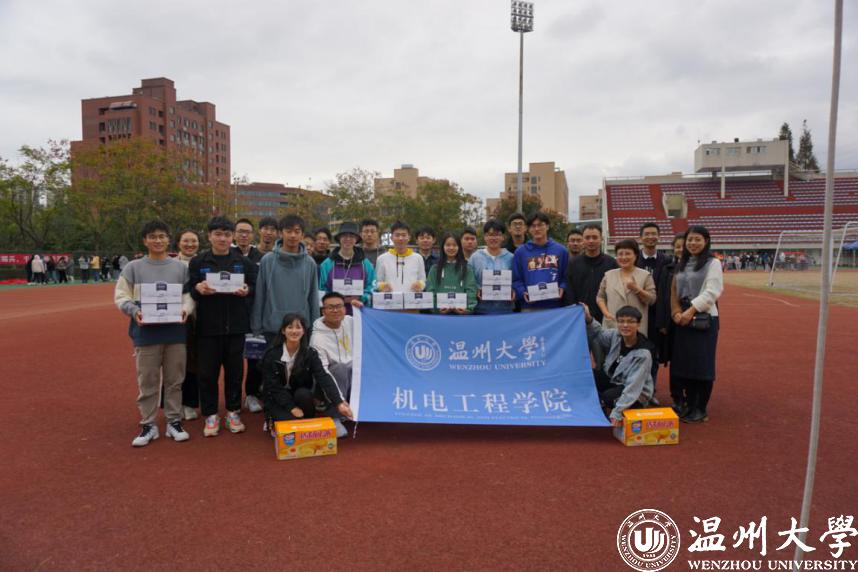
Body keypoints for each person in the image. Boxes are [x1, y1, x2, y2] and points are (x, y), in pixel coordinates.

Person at [114, 220, 194, 447]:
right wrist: (134, 311)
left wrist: (186, 309)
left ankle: (173, 421)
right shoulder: (133, 268)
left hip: (175, 333)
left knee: (174, 380)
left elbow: (188, 296)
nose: (157, 240)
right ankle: (148, 424)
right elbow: (121, 296)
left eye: (162, 236)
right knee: (147, 381)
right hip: (146, 334)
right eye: (152, 236)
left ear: (169, 240)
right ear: (145, 240)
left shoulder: (181, 268)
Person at [188, 216, 258, 437]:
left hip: (236, 327)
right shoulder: (198, 262)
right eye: (218, 234)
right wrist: (198, 289)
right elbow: (189, 289)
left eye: (227, 235)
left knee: (235, 373)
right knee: (207, 374)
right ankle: (210, 414)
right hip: (207, 328)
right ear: (209, 236)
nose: (222, 239)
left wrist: (247, 290)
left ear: (233, 237)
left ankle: (233, 411)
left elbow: (254, 286)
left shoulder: (243, 262)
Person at [261, 313, 354, 438]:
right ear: (283, 331)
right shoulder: (271, 354)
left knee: (304, 394)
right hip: (278, 397)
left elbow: (323, 377)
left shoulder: (310, 354)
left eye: (298, 327)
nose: (294, 331)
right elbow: (273, 386)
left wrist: (339, 402)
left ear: (304, 331)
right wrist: (291, 407)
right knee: (287, 425)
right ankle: (272, 418)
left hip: (300, 395)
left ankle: (303, 421)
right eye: (290, 327)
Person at [670, 225, 723, 423]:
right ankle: (689, 404)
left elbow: (712, 291)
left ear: (706, 241)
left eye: (697, 239)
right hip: (682, 318)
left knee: (702, 364)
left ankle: (700, 408)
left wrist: (690, 311)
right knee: (686, 363)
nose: (692, 243)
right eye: (690, 239)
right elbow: (674, 289)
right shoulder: (682, 263)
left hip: (703, 317)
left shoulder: (712, 263)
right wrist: (676, 311)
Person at [582, 304, 655, 426]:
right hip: (615, 380)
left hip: (637, 392)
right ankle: (600, 403)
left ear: (638, 324)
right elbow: (598, 333)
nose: (625, 325)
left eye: (630, 322)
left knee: (608, 397)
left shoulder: (643, 353)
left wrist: (617, 412)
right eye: (621, 321)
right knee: (587, 376)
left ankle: (624, 406)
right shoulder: (616, 335)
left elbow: (633, 387)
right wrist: (588, 318)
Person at [251, 214, 320, 341]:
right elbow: (260, 296)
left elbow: (313, 298)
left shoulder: (310, 263)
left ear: (302, 235)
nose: (293, 235)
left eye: (297, 231)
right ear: (280, 233)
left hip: (300, 329)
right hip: (272, 329)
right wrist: (256, 328)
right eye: (288, 231)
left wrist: (316, 330)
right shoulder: (267, 260)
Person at [310, 292, 360, 436]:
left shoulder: (350, 321)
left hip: (352, 374)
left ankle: (360, 408)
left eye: (339, 306)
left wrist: (362, 308)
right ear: (323, 311)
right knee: (340, 367)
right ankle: (334, 416)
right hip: (328, 382)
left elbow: (371, 322)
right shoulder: (317, 339)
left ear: (344, 308)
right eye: (330, 307)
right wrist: (339, 401)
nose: (335, 310)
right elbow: (323, 373)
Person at [511, 212, 568, 311]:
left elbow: (567, 276)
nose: (537, 229)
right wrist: (522, 292)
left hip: (555, 308)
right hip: (529, 308)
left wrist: (563, 287)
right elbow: (516, 279)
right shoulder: (520, 252)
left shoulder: (561, 251)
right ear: (528, 229)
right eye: (533, 226)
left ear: (547, 226)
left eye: (540, 225)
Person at [596, 239, 656, 333]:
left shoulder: (645, 275)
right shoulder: (608, 275)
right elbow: (600, 297)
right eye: (620, 254)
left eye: (628, 254)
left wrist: (636, 289)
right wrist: (606, 313)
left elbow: (652, 300)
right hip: (612, 325)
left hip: (636, 328)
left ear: (635, 255)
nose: (623, 257)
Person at [173, 229, 202, 420]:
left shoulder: (204, 263)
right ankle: (173, 403)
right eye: (186, 241)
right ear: (178, 243)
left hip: (200, 320)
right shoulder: (171, 265)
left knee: (194, 362)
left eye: (194, 241)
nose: (190, 244)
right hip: (176, 319)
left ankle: (190, 403)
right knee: (174, 363)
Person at [563, 224, 618, 322]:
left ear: (601, 239)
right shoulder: (573, 264)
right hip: (580, 316)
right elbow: (569, 292)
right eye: (587, 237)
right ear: (583, 240)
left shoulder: (611, 263)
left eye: (595, 237)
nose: (591, 241)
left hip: (606, 316)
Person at [655, 234, 685, 408]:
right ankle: (677, 396)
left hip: (692, 321)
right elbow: (662, 297)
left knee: (690, 359)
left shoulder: (700, 269)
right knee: (676, 361)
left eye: (684, 246)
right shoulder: (667, 269)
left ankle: (692, 395)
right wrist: (662, 323)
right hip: (672, 322)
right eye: (678, 246)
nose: (681, 250)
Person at [318, 222, 375, 313]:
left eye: (352, 236)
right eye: (344, 236)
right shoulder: (327, 264)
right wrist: (335, 298)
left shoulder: (365, 264)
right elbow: (321, 289)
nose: (348, 239)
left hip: (359, 311)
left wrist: (361, 297)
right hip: (334, 312)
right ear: (339, 238)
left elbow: (372, 286)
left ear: (356, 239)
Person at [469, 219, 515, 315]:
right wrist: (476, 290)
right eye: (490, 235)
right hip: (480, 310)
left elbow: (516, 280)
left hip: (505, 310)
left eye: (497, 234)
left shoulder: (511, 258)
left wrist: (514, 290)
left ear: (503, 237)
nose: (493, 238)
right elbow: (469, 282)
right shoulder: (475, 257)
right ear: (485, 237)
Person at [425, 233, 477, 314]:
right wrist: (436, 308)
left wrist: (467, 309)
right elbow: (430, 291)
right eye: (448, 245)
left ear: (459, 247)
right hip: (439, 316)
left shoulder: (467, 269)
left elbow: (471, 291)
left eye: (454, 245)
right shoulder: (434, 269)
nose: (451, 248)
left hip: (461, 316)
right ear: (443, 247)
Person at [375, 221, 426, 293]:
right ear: (391, 237)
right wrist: (382, 286)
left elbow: (423, 280)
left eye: (404, 235)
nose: (400, 238)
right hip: (390, 298)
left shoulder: (418, 258)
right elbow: (377, 282)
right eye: (397, 235)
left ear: (409, 237)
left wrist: (420, 285)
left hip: (411, 298)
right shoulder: (382, 259)